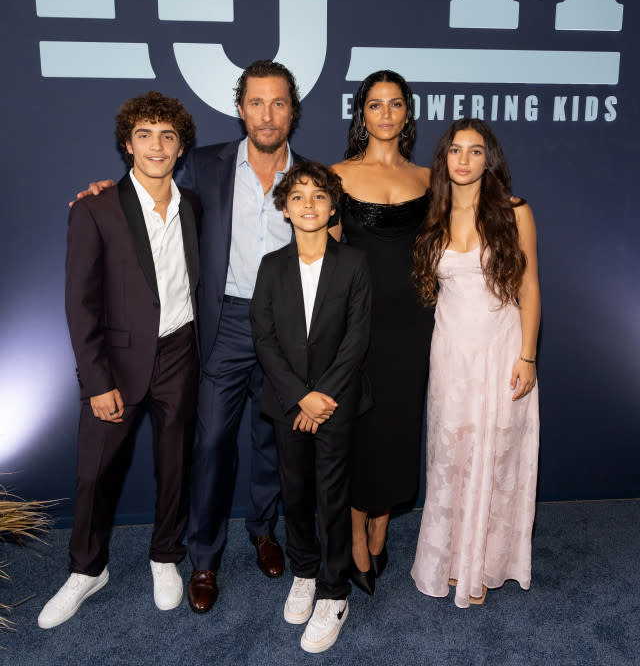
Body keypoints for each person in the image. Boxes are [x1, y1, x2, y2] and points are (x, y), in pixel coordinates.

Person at [75, 61, 303, 613]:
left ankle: (263, 532)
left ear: (292, 110)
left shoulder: (311, 179)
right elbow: (146, 198)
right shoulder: (203, 164)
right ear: (241, 107)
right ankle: (203, 558)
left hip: (285, 328)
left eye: (278, 103)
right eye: (256, 102)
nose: (267, 114)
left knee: (272, 443)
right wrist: (102, 191)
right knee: (208, 447)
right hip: (221, 323)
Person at [38, 92, 200, 629]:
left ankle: (165, 556)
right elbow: (79, 303)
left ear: (180, 147)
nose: (157, 146)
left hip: (181, 350)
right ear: (127, 144)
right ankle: (87, 569)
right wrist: (95, 379)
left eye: (168, 136)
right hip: (118, 361)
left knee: (175, 464)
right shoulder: (95, 207)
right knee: (94, 472)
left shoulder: (193, 206)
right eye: (146, 135)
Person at [411, 118, 540, 608]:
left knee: (496, 455)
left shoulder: (514, 211)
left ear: (490, 159)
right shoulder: (431, 214)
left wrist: (527, 355)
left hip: (502, 347)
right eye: (455, 151)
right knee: (450, 455)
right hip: (450, 352)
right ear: (444, 158)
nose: (464, 160)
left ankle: (483, 563)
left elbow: (529, 286)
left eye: (476, 151)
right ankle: (447, 558)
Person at [250, 162, 371, 653]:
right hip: (288, 403)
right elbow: (265, 338)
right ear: (284, 208)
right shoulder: (271, 266)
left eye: (319, 197)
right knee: (295, 490)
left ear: (333, 205)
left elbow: (357, 339)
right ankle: (304, 570)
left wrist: (322, 398)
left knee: (332, 496)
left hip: (336, 403)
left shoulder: (354, 264)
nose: (308, 205)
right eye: (298, 196)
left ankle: (334, 589)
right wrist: (300, 395)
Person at [330, 70, 434, 594]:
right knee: (359, 430)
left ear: (407, 114)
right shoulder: (336, 175)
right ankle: (354, 538)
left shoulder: (429, 179)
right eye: (376, 105)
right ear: (361, 113)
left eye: (396, 104)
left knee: (397, 427)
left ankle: (380, 526)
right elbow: (322, 260)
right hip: (357, 323)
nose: (386, 114)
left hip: (414, 321)